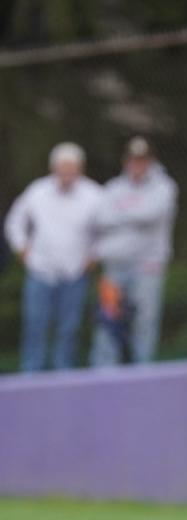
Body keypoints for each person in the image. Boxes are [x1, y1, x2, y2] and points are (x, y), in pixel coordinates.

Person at [4, 142, 102, 372]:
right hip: (40, 272)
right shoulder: (37, 191)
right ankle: (31, 377)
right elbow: (14, 223)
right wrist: (24, 251)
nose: (67, 173)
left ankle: (64, 377)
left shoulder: (95, 195)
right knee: (34, 327)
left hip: (76, 273)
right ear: (53, 168)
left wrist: (93, 256)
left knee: (69, 329)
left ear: (81, 168)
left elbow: (106, 231)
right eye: (63, 167)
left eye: (72, 167)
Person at [90, 137, 178, 366]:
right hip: (115, 266)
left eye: (142, 160)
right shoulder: (114, 187)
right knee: (108, 319)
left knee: (144, 322)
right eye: (133, 160)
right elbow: (101, 218)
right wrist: (131, 215)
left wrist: (120, 213)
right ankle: (103, 374)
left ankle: (143, 371)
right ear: (125, 161)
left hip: (148, 266)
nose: (137, 165)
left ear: (150, 161)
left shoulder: (164, 187)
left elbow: (151, 214)